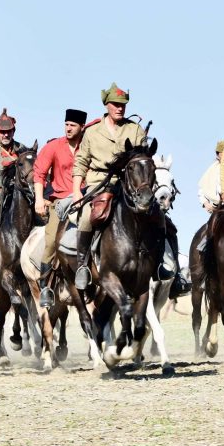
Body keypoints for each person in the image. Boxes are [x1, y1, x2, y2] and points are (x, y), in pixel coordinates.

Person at [73, 82, 176, 290]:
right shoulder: (92, 132)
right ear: (106, 105)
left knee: (159, 215)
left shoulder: (135, 129)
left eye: (123, 104)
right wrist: (76, 191)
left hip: (131, 184)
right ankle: (82, 265)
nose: (120, 108)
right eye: (115, 104)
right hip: (99, 183)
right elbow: (81, 162)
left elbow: (144, 158)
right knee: (86, 216)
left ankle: (160, 265)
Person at [33, 108, 87, 306]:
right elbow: (39, 173)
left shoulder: (88, 145)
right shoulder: (54, 146)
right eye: (66, 125)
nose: (68, 129)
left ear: (82, 127)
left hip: (86, 198)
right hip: (60, 201)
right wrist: (39, 199)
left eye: (73, 125)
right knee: (51, 241)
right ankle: (45, 286)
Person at [197, 140, 224, 213]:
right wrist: (206, 204)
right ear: (218, 154)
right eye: (221, 153)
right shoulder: (213, 169)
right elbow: (202, 190)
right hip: (217, 208)